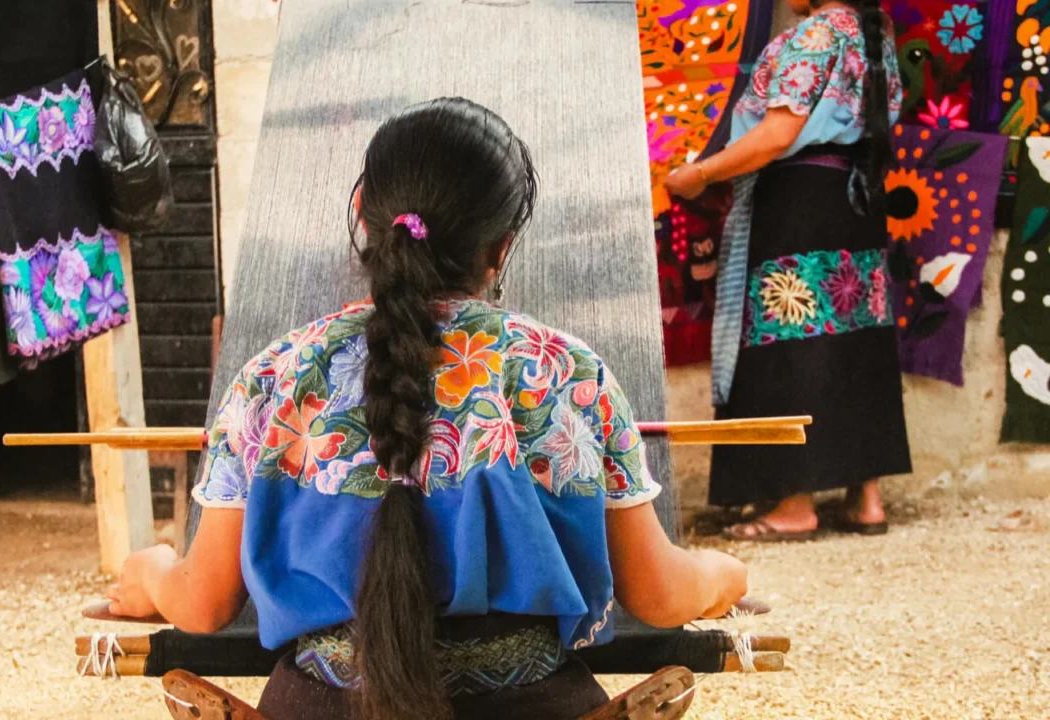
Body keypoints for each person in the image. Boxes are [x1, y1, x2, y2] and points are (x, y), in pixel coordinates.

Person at [105, 98, 748, 720]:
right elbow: (660, 595)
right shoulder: (564, 370)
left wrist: (154, 574)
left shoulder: (275, 377)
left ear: (363, 216)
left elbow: (204, 601)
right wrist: (723, 576)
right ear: (502, 245)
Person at [664, 0, 911, 541]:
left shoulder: (816, 35)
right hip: (856, 203)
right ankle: (866, 498)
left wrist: (699, 174)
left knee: (789, 339)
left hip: (801, 202)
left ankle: (794, 505)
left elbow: (776, 136)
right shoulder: (875, 35)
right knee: (855, 342)